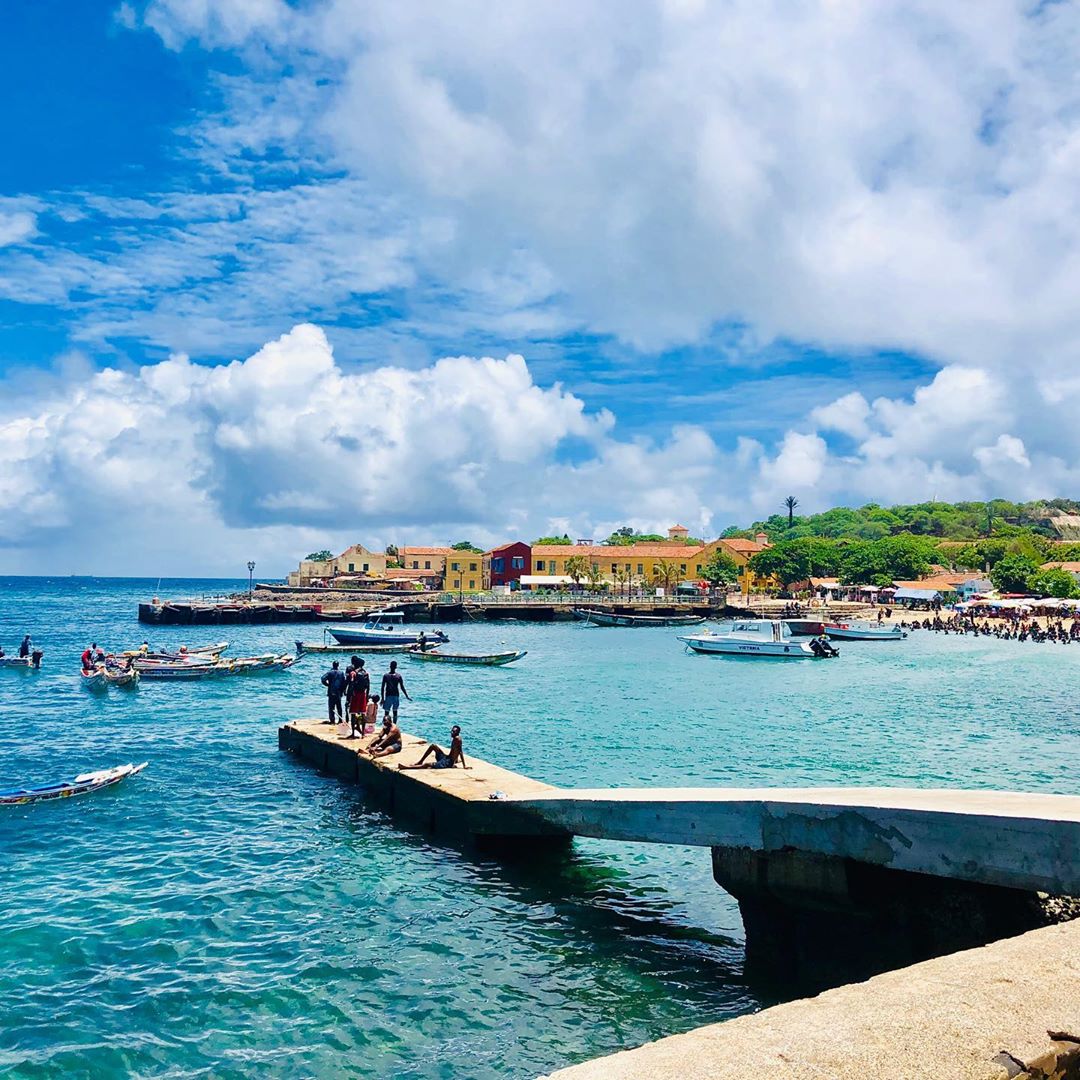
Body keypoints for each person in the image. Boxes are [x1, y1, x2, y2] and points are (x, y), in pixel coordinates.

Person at [399, 725, 470, 770]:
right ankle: (420, 761)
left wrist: (464, 765)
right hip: (446, 758)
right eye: (452, 731)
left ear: (457, 733)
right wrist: (456, 760)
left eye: (454, 732)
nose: (452, 733)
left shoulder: (458, 739)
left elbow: (460, 751)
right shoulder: (455, 738)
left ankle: (406, 767)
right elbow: (455, 751)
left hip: (447, 763)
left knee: (427, 765)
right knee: (433, 746)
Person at [346, 660, 370, 738]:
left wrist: (349, 698)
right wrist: (366, 697)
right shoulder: (366, 673)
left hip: (355, 694)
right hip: (363, 694)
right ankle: (363, 733)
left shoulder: (353, 673)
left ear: (356, 664)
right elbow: (368, 686)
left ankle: (353, 733)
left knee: (353, 714)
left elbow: (351, 685)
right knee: (363, 714)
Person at [321, 660, 347, 724]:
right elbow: (344, 683)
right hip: (339, 691)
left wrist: (328, 685)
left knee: (331, 707)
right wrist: (343, 691)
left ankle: (332, 720)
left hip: (331, 691)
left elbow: (323, 679)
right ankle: (340, 720)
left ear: (333, 665)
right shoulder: (341, 673)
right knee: (339, 706)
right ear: (338, 665)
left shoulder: (330, 672)